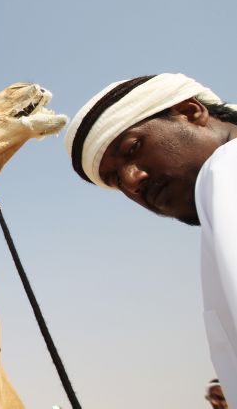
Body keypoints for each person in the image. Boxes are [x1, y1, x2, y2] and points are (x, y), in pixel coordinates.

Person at [64, 73, 237, 401]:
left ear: (189, 111)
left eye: (133, 148)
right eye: (115, 180)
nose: (132, 181)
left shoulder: (227, 168)